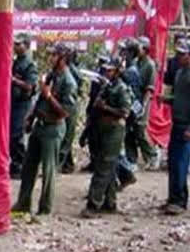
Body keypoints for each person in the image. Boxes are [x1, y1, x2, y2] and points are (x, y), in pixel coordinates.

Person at [12, 42, 77, 215]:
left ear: (62, 59)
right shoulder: (51, 75)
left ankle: (45, 208)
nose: (51, 58)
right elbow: (40, 98)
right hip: (39, 126)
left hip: (53, 128)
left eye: (54, 55)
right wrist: (30, 117)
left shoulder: (68, 82)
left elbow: (65, 112)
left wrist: (49, 97)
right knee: (28, 167)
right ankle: (23, 203)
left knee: (48, 170)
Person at [81, 56, 132, 218]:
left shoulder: (122, 89)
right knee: (106, 166)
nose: (107, 72)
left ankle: (93, 203)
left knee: (103, 167)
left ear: (117, 71)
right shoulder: (107, 86)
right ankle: (110, 202)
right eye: (106, 70)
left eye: (110, 70)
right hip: (102, 129)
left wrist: (106, 107)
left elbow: (125, 112)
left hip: (114, 130)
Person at [162, 41, 190, 215]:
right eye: (178, 53)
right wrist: (165, 99)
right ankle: (173, 198)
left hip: (185, 125)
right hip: (176, 122)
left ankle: (179, 200)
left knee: (180, 163)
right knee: (173, 163)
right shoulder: (179, 73)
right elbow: (178, 98)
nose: (179, 57)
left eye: (183, 54)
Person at [124, 36, 160, 170]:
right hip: (133, 99)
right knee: (129, 130)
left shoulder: (149, 65)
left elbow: (149, 89)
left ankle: (152, 154)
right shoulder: (135, 62)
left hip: (143, 100)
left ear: (145, 49)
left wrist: (143, 107)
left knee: (139, 129)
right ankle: (131, 159)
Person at [9, 33, 38, 180]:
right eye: (15, 44)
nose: (15, 47)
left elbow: (30, 86)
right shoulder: (16, 62)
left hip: (23, 103)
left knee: (17, 135)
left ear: (26, 46)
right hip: (13, 103)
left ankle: (20, 165)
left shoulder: (29, 64)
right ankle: (14, 164)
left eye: (18, 44)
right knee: (11, 135)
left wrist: (13, 80)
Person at [59, 45, 81, 174]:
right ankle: (68, 165)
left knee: (66, 137)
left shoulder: (71, 71)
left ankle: (59, 164)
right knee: (66, 137)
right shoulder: (64, 70)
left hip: (69, 105)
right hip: (66, 104)